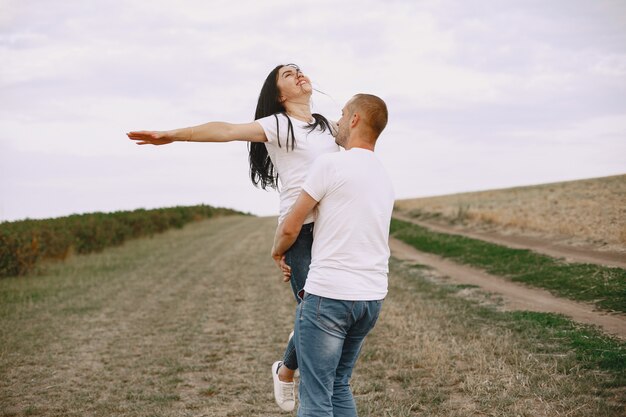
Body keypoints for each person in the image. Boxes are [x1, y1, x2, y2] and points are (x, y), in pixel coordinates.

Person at [127, 64, 339, 411]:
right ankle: (290, 374)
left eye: (300, 69)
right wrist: (172, 134)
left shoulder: (327, 126)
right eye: (288, 74)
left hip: (332, 227)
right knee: (314, 310)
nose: (299, 74)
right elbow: (225, 130)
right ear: (279, 95)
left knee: (320, 309)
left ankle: (285, 369)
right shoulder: (278, 125)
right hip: (298, 230)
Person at [271, 94, 394, 416]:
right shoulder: (384, 175)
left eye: (341, 115)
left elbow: (290, 227)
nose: (336, 122)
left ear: (354, 120)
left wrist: (276, 253)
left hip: (330, 296)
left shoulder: (330, 164)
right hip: (370, 299)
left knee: (315, 399)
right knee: (339, 384)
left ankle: (284, 371)